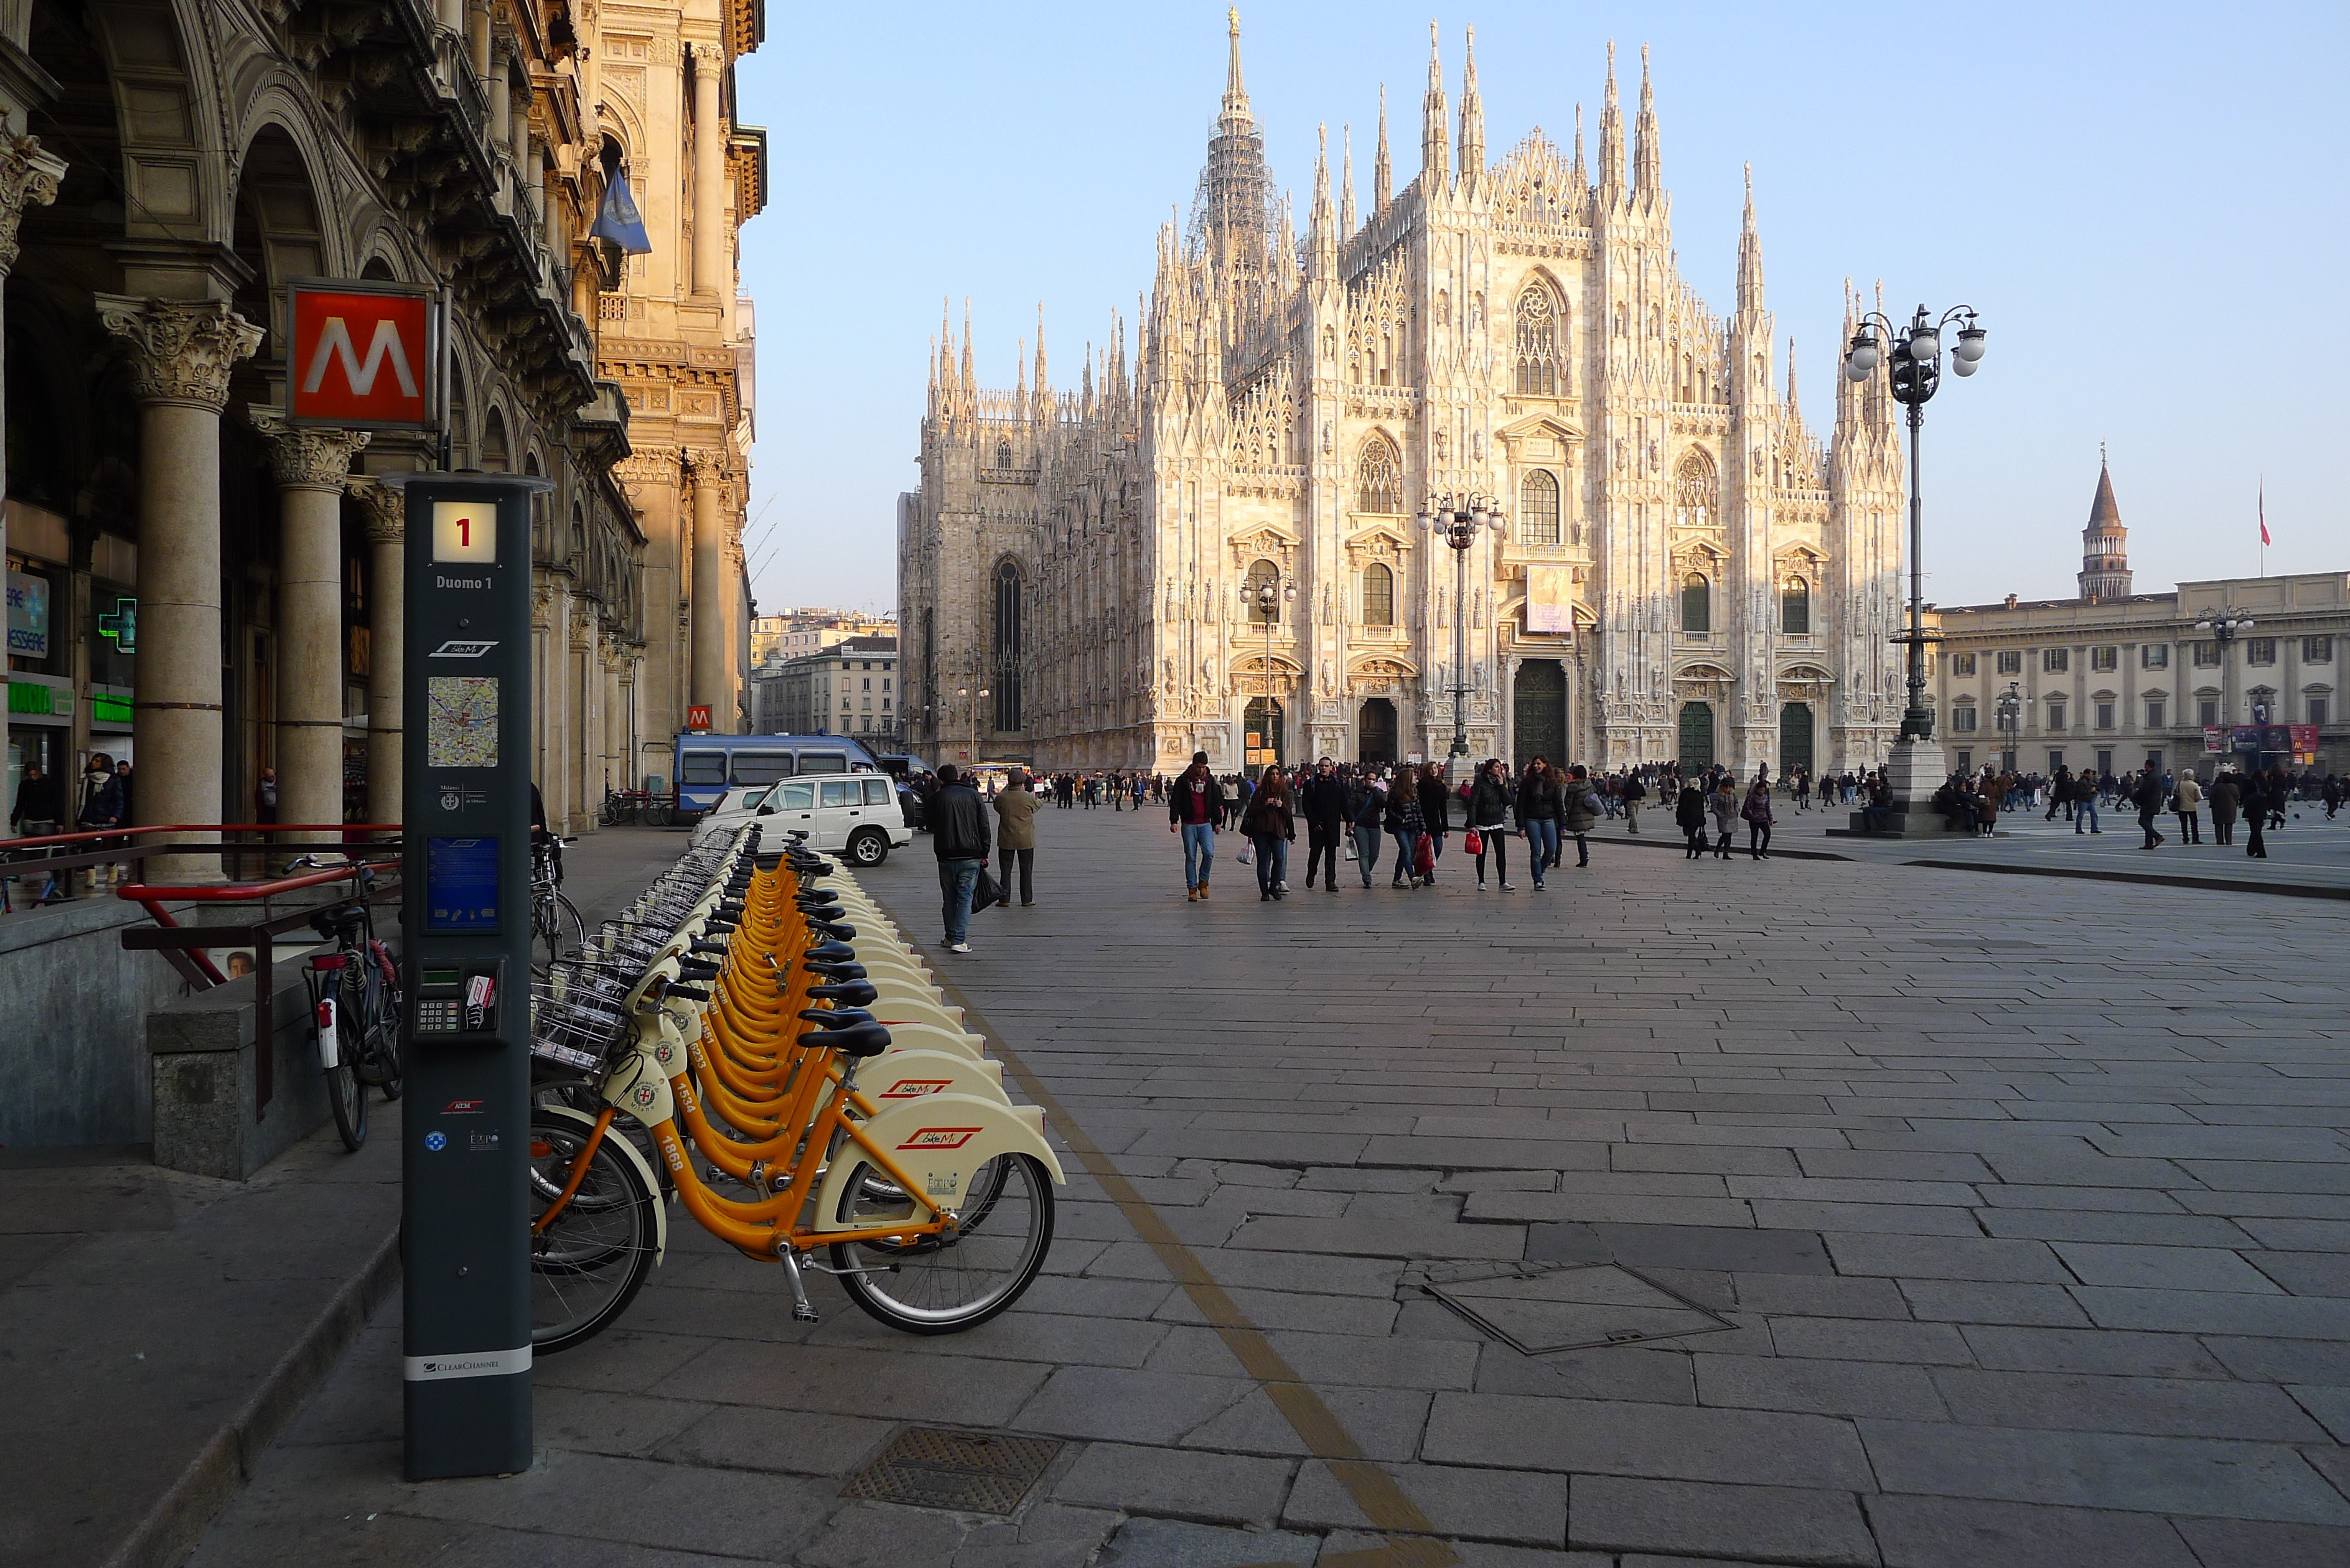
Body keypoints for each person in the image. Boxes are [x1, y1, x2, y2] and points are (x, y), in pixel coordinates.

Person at [928, 763, 991, 953]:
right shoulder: (973, 795)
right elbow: (984, 826)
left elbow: (930, 826)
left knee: (949, 899)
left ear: (941, 780)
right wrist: (984, 852)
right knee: (965, 898)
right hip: (971, 854)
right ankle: (958, 939)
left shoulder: (936, 798)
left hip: (945, 855)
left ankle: (949, 937)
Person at [1168, 751, 1225, 901]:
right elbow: (1176, 801)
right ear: (1193, 765)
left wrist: (1217, 822)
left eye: (1204, 767)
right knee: (1191, 856)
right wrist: (1174, 821)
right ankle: (1192, 889)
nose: (1201, 770)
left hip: (1205, 823)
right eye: (1199, 767)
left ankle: (1203, 882)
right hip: (1189, 824)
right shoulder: (1183, 780)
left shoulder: (1210, 780)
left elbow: (1216, 802)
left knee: (1209, 853)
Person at [1240, 765, 1296, 900]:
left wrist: (1282, 806)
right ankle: (1264, 892)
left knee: (1279, 858)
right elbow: (1252, 811)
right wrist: (1265, 804)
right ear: (1268, 776)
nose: (1275, 776)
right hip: (1261, 831)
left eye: (1277, 774)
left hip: (1278, 831)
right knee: (1263, 862)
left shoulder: (1285, 793)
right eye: (1272, 774)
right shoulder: (1260, 792)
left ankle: (1274, 886)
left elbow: (1289, 814)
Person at [1299, 758, 1351, 891]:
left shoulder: (1338, 783)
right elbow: (1307, 805)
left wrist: (1350, 820)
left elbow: (1344, 804)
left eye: (1326, 766)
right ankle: (1311, 874)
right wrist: (1314, 822)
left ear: (1331, 767)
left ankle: (1330, 881)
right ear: (1318, 767)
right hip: (1317, 825)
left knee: (1331, 854)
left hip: (1332, 824)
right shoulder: (1311, 784)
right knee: (1315, 853)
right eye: (1322, 766)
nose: (1324, 768)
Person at [991, 768, 1038, 907]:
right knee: (1026, 869)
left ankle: (1004, 899)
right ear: (1023, 783)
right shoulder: (1028, 797)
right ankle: (1027, 899)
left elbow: (997, 808)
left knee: (1005, 870)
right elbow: (1037, 806)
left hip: (1006, 838)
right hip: (1026, 840)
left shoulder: (1002, 797)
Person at [1468, 758, 1514, 890]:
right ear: (1489, 769)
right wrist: (1472, 824)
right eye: (1496, 767)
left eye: (1500, 767)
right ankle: (1481, 881)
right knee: (1481, 853)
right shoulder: (1480, 783)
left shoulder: (1502, 783)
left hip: (1497, 822)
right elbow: (1473, 804)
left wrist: (1501, 785)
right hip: (1482, 822)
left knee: (1501, 853)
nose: (1499, 769)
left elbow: (1508, 801)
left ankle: (1502, 882)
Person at [1516, 758, 1560, 890]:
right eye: (1534, 764)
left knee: (1551, 849)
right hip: (1532, 819)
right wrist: (1521, 826)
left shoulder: (1552, 782)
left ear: (1545, 765)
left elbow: (1558, 803)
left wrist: (1563, 823)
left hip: (1548, 818)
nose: (1536, 766)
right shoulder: (1527, 782)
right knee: (1536, 850)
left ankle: (1539, 870)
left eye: (1538, 764)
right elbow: (1520, 804)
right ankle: (1538, 880)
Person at [1384, 767, 1426, 888]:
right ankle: (1413, 878)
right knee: (1406, 851)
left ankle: (1396, 880)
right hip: (1400, 827)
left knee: (1405, 853)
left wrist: (1423, 828)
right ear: (1407, 778)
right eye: (1413, 776)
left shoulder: (1414, 791)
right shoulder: (1395, 793)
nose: (1415, 778)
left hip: (1412, 827)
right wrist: (1400, 819)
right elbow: (1389, 811)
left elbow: (1419, 811)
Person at [1349, 772, 1387, 887]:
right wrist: (1351, 821)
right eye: (1369, 779)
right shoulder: (1357, 792)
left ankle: (1366, 870)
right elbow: (1351, 808)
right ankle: (1366, 877)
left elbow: (1383, 804)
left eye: (1373, 779)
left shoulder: (1378, 792)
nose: (1371, 781)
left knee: (1374, 854)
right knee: (1364, 853)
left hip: (1374, 825)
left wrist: (1375, 790)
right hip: (1360, 825)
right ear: (1364, 780)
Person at [1415, 762, 1450, 882]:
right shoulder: (1421, 786)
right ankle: (1427, 872)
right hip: (1423, 821)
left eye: (1435, 768)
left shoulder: (1441, 786)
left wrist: (1445, 827)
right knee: (1425, 848)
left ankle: (1429, 868)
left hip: (1436, 822)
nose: (1434, 771)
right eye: (1431, 769)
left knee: (1438, 847)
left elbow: (1443, 808)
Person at [1561, 765, 1597, 869]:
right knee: (1581, 836)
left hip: (1577, 815)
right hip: (1587, 814)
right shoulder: (1589, 784)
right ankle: (1584, 856)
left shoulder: (1572, 787)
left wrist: (1566, 815)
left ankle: (1584, 858)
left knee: (1580, 837)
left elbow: (1568, 804)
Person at [2132, 768, 2167, 849]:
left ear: (2148, 766)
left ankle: (2157, 836)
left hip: (2148, 803)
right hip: (2155, 802)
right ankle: (2149, 843)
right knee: (2148, 823)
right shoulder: (2158, 776)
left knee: (2142, 821)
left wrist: (2135, 797)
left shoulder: (2150, 777)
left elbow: (2144, 790)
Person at [1741, 778, 1776, 859]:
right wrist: (1752, 815)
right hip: (1754, 819)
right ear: (1757, 789)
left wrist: (1771, 818)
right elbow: (1747, 807)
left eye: (1763, 790)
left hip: (1763, 818)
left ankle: (1763, 851)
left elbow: (1767, 808)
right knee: (1754, 836)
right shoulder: (1751, 796)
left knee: (1767, 835)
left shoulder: (1765, 796)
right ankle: (1754, 854)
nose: (1762, 792)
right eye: (1760, 790)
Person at [1676, 777, 1709, 859]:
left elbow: (1682, 806)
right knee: (1692, 835)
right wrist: (1702, 818)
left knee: (1691, 835)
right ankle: (1690, 853)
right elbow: (1702, 808)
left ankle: (1697, 851)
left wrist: (1679, 817)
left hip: (1688, 817)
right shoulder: (1700, 794)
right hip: (1698, 818)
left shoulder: (1686, 793)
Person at [1707, 775, 1737, 860]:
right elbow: (1714, 807)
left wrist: (1736, 810)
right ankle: (1718, 849)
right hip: (1723, 817)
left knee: (1729, 835)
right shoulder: (1717, 796)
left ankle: (1726, 852)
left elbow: (1736, 802)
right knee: (1725, 834)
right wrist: (1719, 815)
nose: (1727, 789)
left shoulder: (1733, 794)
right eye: (1726, 787)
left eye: (1729, 787)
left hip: (1732, 816)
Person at [2208, 770, 2240, 847]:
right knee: (2229, 825)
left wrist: (2212, 805)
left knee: (2218, 825)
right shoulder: (2235, 787)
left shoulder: (2217, 787)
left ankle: (2220, 840)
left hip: (2218, 808)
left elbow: (2212, 797)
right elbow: (2237, 797)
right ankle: (2229, 840)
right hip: (2230, 807)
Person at [2173, 770, 2203, 846]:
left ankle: (2185, 838)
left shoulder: (2179, 784)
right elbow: (2198, 797)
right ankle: (2195, 838)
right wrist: (2195, 800)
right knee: (2194, 823)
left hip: (2181, 806)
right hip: (2192, 806)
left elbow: (2174, 792)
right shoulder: (2194, 785)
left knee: (2184, 824)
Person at [1621, 768, 1646, 833]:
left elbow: (1623, 792)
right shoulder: (1639, 785)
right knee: (1634, 815)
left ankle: (1635, 828)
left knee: (1633, 815)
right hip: (1638, 801)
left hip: (1631, 801)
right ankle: (1631, 827)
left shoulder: (1628, 785)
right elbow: (1644, 794)